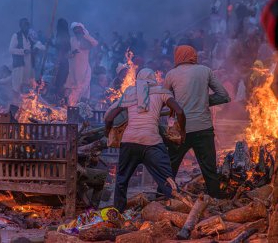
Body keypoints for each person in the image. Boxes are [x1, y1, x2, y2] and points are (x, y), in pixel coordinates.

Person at [104, 68, 186, 212]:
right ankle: (178, 209)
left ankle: (118, 213)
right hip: (151, 142)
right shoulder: (161, 92)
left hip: (129, 142)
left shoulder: (129, 93)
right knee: (167, 178)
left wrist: (107, 132)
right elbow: (179, 111)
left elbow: (110, 116)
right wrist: (182, 132)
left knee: (122, 180)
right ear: (154, 78)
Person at [164, 45, 230, 199]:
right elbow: (224, 96)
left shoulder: (171, 74)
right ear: (193, 56)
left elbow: (165, 99)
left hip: (182, 130)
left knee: (171, 167)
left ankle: (164, 197)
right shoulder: (205, 70)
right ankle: (216, 200)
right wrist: (204, 101)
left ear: (178, 57)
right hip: (203, 128)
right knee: (209, 169)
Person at [65, 22, 98, 105]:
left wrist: (85, 35)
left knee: (84, 88)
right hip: (73, 69)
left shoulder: (86, 40)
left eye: (78, 29)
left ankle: (82, 106)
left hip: (84, 68)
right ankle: (71, 106)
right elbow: (67, 54)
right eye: (75, 29)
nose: (77, 31)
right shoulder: (71, 40)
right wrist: (72, 53)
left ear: (82, 30)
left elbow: (95, 43)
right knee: (72, 88)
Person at [9, 18, 44, 94]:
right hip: (19, 67)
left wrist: (36, 48)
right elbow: (11, 50)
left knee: (28, 88)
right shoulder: (16, 36)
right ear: (21, 26)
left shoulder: (30, 37)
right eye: (24, 24)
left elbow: (40, 46)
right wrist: (23, 51)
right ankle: (15, 104)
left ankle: (26, 104)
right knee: (17, 87)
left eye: (27, 24)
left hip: (29, 67)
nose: (26, 26)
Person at [54, 18, 71, 98]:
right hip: (64, 61)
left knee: (60, 80)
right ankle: (58, 96)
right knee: (60, 79)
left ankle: (59, 97)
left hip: (62, 61)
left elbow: (62, 48)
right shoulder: (65, 35)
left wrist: (58, 60)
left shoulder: (63, 35)